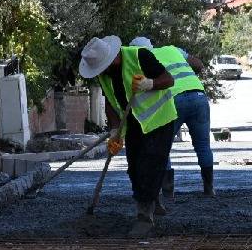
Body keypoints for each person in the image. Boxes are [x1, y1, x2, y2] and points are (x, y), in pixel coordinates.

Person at [79, 35, 178, 238]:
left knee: (150, 165)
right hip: (133, 125)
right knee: (134, 168)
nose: (102, 72)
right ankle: (153, 200)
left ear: (113, 57)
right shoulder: (104, 74)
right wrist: (115, 131)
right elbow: (110, 103)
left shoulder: (140, 56)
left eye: (104, 67)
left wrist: (150, 83)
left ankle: (144, 217)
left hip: (160, 120)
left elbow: (169, 79)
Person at [129, 37, 215, 196]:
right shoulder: (173, 49)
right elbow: (198, 64)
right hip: (198, 96)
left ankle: (168, 191)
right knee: (203, 145)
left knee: (163, 145)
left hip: (174, 100)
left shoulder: (141, 62)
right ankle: (209, 188)